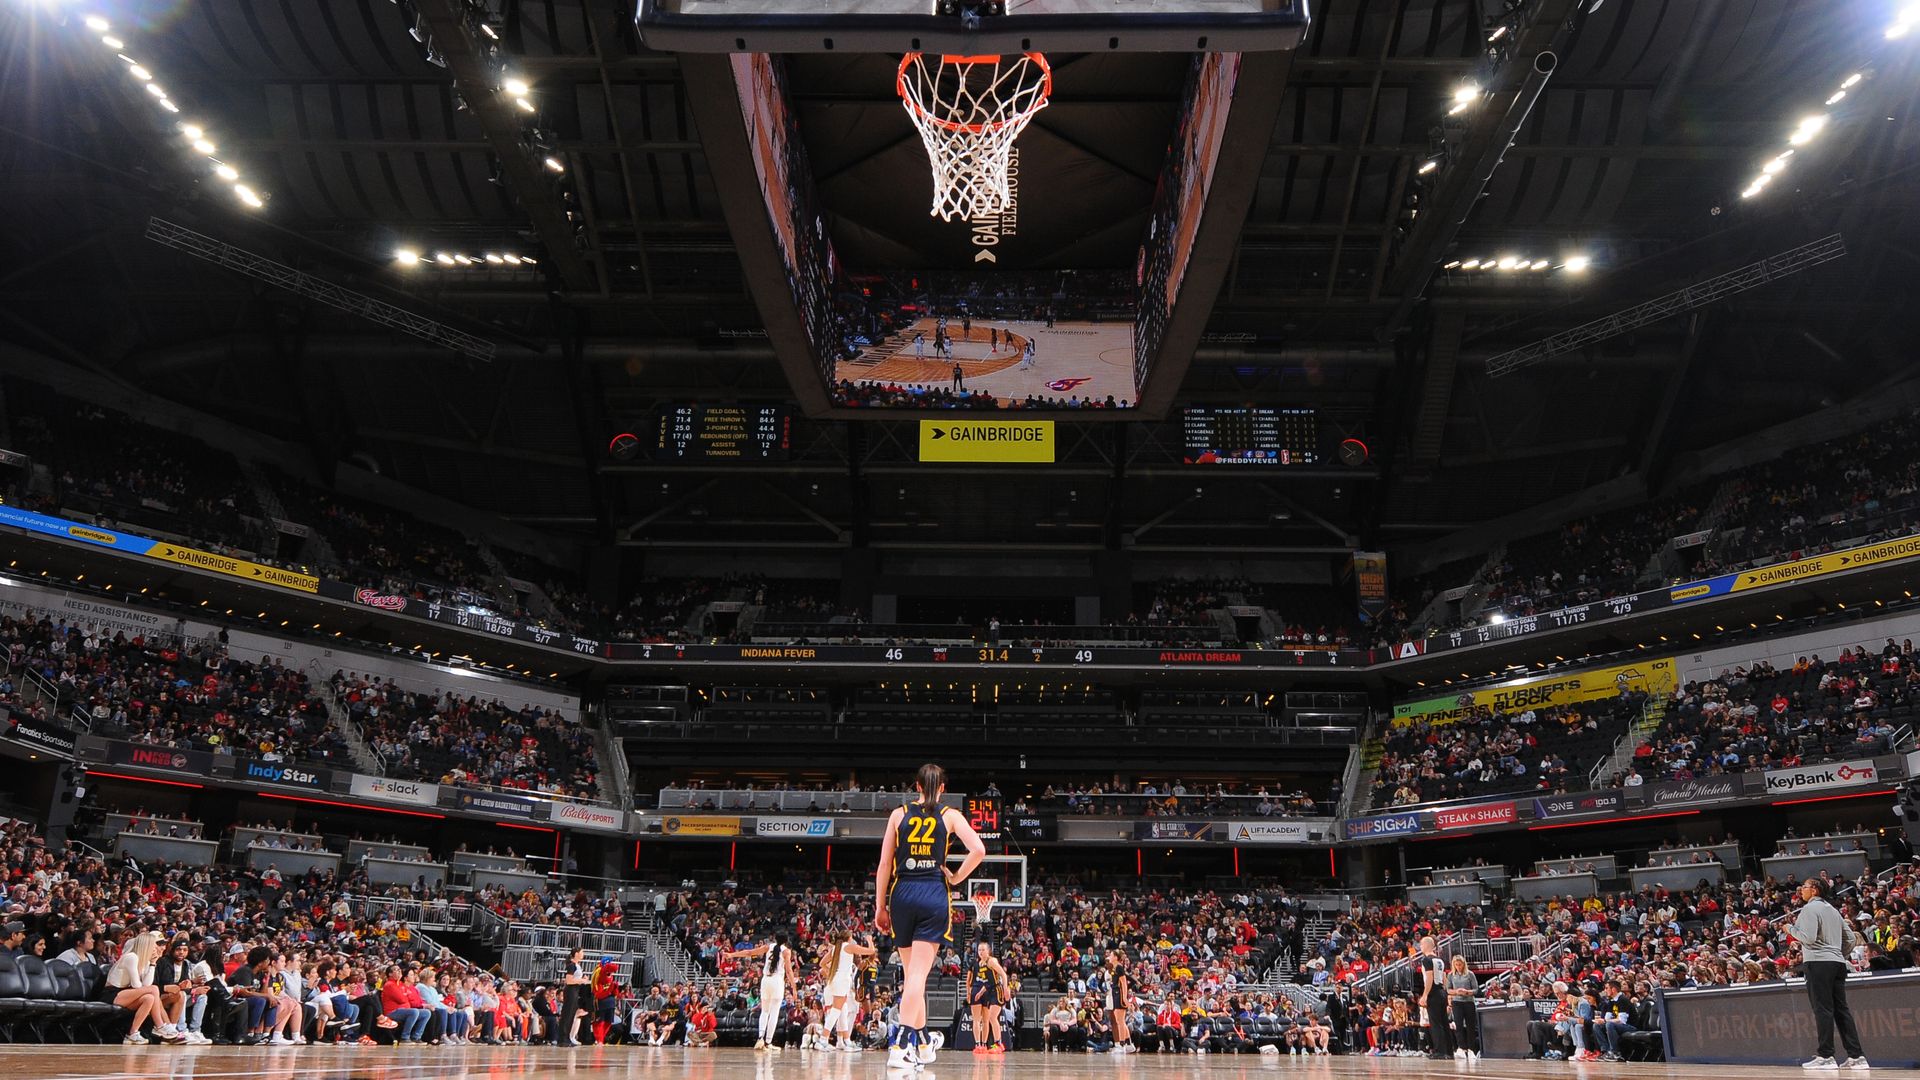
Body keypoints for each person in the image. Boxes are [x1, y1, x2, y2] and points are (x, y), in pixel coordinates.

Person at [875, 762, 986, 1072]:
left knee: (914, 977)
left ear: (917, 787)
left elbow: (884, 865)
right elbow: (978, 849)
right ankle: (900, 1046)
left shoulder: (898, 814)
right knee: (916, 978)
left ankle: (923, 1044)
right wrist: (955, 877)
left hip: (902, 894)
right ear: (943, 789)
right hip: (932, 894)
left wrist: (879, 906)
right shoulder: (950, 816)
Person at [1786, 878, 1869, 1070]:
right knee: (1842, 1010)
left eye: (1805, 887)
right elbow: (1850, 938)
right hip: (1837, 963)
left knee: (1822, 1009)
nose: (1801, 890)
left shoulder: (1809, 909)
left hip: (1817, 962)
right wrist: (1838, 954)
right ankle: (1856, 1057)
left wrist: (1789, 929)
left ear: (1814, 890)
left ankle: (1826, 1056)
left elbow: (1808, 937)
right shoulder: (1833, 910)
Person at [721, 934, 797, 1051]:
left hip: (765, 980)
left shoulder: (768, 947)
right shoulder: (786, 951)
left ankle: (760, 1039)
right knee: (774, 1013)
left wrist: (732, 954)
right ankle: (768, 1042)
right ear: (786, 941)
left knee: (765, 1011)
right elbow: (789, 970)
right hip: (777, 981)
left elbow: (748, 953)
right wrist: (794, 988)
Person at [107, 931, 185, 1045]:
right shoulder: (131, 957)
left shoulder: (144, 961)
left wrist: (152, 963)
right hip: (112, 994)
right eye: (153, 946)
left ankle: (132, 1034)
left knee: (149, 998)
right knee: (153, 989)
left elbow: (146, 984)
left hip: (125, 993)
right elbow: (137, 985)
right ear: (146, 946)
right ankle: (160, 1026)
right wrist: (148, 984)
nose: (155, 949)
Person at [822, 928, 876, 1051]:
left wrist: (831, 973)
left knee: (842, 1011)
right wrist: (870, 940)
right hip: (842, 981)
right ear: (849, 937)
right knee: (836, 1011)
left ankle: (845, 1041)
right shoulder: (849, 946)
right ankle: (823, 1039)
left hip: (836, 979)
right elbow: (871, 951)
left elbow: (822, 963)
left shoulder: (836, 948)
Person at [966, 939, 1010, 1056]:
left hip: (997, 990)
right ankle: (996, 1044)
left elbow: (1003, 974)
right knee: (991, 1018)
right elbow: (988, 982)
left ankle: (998, 1044)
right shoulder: (981, 963)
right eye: (979, 950)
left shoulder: (991, 962)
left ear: (988, 951)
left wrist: (1006, 988)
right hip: (990, 990)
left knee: (991, 1017)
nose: (981, 952)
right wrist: (981, 992)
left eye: (983, 950)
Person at [1419, 936, 1452, 1059]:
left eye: (1421, 945)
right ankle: (1449, 1051)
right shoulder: (1440, 960)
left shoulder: (1426, 960)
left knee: (1436, 1024)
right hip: (1441, 991)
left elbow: (1429, 978)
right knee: (1444, 1022)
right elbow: (1444, 979)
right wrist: (1446, 994)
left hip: (1433, 992)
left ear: (1426, 945)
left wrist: (1425, 995)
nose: (1420, 947)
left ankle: (1439, 1051)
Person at [1446, 955, 1480, 1061]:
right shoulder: (1451, 975)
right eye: (1456, 965)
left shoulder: (1470, 974)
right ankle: (1461, 1048)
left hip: (1468, 1002)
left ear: (1463, 964)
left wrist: (1467, 992)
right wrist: (1456, 992)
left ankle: (1471, 1049)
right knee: (1459, 1026)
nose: (1458, 966)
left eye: (1460, 964)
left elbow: (1476, 989)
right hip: (1457, 1002)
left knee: (1470, 1026)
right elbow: (1448, 990)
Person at [1103, 949, 1136, 1054]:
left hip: (1120, 994)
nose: (1110, 956)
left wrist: (1125, 998)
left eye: (1111, 954)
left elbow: (1124, 983)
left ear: (1116, 957)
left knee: (1120, 1022)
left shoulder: (1119, 967)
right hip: (1115, 993)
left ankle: (1122, 1045)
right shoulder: (1114, 968)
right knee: (1120, 1021)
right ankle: (1129, 1044)